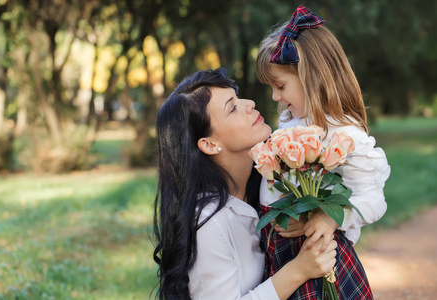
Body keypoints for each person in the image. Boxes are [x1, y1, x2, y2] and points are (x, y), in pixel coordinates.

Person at [153, 67, 338, 300]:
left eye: (238, 98)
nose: (249, 103)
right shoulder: (209, 223)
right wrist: (299, 270)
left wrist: (315, 219)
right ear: (209, 144)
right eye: (232, 108)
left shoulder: (266, 185)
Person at [255, 5, 391, 300]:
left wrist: (332, 218)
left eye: (280, 86)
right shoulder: (290, 121)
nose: (276, 97)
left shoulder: (345, 135)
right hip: (284, 255)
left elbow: (374, 200)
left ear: (311, 78)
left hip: (322, 262)